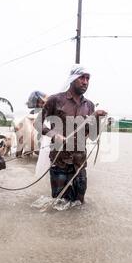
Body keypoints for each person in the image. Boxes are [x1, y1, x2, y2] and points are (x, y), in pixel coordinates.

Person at [36, 65, 107, 203]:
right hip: (60, 162)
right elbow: (37, 123)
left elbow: (92, 136)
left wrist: (97, 118)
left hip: (79, 164)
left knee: (80, 204)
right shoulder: (55, 100)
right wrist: (53, 135)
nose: (85, 82)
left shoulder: (90, 106)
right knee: (58, 205)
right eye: (82, 77)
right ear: (73, 78)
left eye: (87, 78)